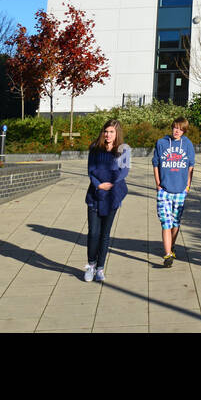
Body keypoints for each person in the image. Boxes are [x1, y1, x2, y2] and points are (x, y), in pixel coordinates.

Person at [84, 119, 130, 283]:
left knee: (105, 234)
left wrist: (111, 184)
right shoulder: (95, 148)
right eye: (106, 131)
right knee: (93, 233)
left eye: (111, 132)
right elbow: (90, 171)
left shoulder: (123, 150)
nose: (108, 135)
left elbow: (124, 172)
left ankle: (100, 268)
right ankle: (90, 265)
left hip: (112, 196)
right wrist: (99, 185)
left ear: (117, 133)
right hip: (95, 195)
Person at [152, 117, 195, 267]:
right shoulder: (161, 143)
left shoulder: (188, 144)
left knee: (175, 222)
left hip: (180, 190)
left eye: (181, 129)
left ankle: (171, 246)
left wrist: (187, 185)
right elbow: (156, 163)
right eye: (175, 128)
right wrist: (158, 183)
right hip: (164, 190)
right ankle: (168, 254)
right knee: (166, 222)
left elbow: (190, 166)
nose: (177, 131)